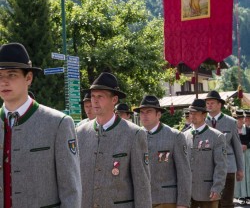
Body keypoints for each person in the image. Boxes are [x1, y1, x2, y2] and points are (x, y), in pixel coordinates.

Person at [0, 43, 82, 207]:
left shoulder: (58, 124)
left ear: (28, 78)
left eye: (12, 75)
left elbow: (71, 191)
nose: (4, 82)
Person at [76, 72, 151, 208]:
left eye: (100, 96)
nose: (95, 101)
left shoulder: (134, 134)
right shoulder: (80, 133)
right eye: (93, 96)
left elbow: (142, 185)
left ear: (114, 100)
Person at [134, 95, 191, 208]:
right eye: (142, 112)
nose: (144, 115)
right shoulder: (133, 136)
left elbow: (184, 172)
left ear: (158, 114)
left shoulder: (175, 136)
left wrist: (183, 202)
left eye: (149, 111)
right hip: (140, 200)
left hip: (166, 200)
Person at [184, 99, 227, 208]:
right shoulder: (183, 136)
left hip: (208, 192)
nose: (192, 116)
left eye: (196, 113)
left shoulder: (217, 136)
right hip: (187, 193)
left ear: (204, 115)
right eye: (190, 113)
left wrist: (217, 187)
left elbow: (221, 166)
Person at [205, 90, 244, 208]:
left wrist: (240, 169)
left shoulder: (231, 122)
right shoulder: (202, 122)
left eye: (212, 103)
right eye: (207, 103)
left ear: (219, 105)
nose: (209, 105)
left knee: (226, 202)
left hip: (228, 168)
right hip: (208, 169)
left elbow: (237, 147)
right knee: (210, 201)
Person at [234, 110, 248, 203]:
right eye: (237, 118)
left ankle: (247, 194)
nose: (239, 120)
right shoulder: (232, 129)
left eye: (241, 118)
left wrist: (247, 145)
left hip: (247, 154)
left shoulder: (248, 129)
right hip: (235, 155)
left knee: (247, 174)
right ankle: (239, 195)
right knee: (237, 173)